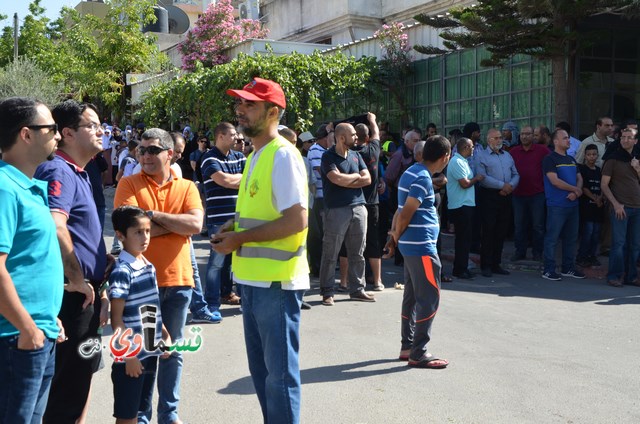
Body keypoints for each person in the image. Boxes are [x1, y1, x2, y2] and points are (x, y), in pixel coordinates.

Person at [211, 77, 309, 423]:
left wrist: (239, 240)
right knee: (264, 376)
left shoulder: (283, 155)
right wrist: (233, 229)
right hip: (253, 283)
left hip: (276, 285)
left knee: (279, 379)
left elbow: (297, 220)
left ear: (273, 112)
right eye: (239, 103)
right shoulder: (255, 156)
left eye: (249, 104)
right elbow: (261, 214)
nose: (240, 110)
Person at [115, 128, 203, 424]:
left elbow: (195, 224)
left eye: (152, 150)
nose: (145, 156)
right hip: (140, 286)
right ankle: (141, 415)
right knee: (144, 352)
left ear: (170, 153)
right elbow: (127, 226)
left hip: (178, 281)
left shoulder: (187, 187)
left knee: (172, 350)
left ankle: (169, 414)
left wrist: (149, 216)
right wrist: (174, 225)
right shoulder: (127, 182)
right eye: (141, 150)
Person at [35, 100, 110, 424]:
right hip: (72, 297)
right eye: (91, 125)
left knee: (80, 380)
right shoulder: (57, 169)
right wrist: (78, 278)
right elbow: (55, 225)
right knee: (65, 391)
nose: (101, 131)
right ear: (67, 133)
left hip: (87, 294)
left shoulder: (80, 171)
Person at [0, 97, 65, 423]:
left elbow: (31, 261)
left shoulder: (26, 186)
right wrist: (27, 326)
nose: (58, 135)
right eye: (51, 128)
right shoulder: (4, 188)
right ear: (26, 134)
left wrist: (45, 318)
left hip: (36, 332)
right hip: (16, 338)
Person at [384, 135, 450, 369]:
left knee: (412, 297)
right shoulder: (422, 178)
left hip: (412, 246)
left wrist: (394, 239)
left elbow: (399, 212)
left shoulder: (411, 172)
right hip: (421, 247)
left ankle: (407, 346)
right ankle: (418, 352)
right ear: (445, 157)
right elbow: (406, 212)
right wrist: (395, 237)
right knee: (429, 298)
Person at [108, 205, 171, 424]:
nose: (145, 237)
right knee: (127, 416)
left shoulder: (148, 265)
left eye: (147, 231)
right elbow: (116, 318)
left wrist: (164, 334)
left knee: (141, 410)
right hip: (131, 357)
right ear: (120, 235)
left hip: (149, 352)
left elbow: (151, 307)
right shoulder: (122, 271)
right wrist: (129, 356)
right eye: (138, 232)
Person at [319, 122, 374, 306]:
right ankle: (327, 292)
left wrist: (349, 179)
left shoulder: (357, 155)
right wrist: (355, 178)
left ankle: (357, 289)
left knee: (358, 252)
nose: (356, 137)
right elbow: (335, 179)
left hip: (359, 208)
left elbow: (367, 179)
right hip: (336, 210)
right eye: (353, 134)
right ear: (342, 137)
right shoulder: (328, 157)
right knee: (330, 252)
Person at [201, 122, 246, 316]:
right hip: (219, 219)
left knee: (239, 261)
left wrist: (240, 180)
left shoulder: (240, 156)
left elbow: (253, 179)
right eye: (233, 134)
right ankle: (211, 303)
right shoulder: (208, 158)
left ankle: (230, 294)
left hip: (241, 217)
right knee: (217, 262)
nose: (237, 138)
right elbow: (223, 180)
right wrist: (241, 180)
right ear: (220, 136)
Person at [475, 128, 519, 277]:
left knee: (501, 230)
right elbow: (483, 177)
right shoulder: (481, 156)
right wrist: (502, 186)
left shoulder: (507, 155)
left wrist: (510, 186)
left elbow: (515, 173)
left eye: (500, 137)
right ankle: (486, 265)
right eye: (496, 138)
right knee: (488, 230)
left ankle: (496, 264)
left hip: (506, 195)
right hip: (490, 196)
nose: (500, 140)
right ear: (489, 141)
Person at [541, 129, 585, 281]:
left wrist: (576, 191)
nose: (569, 141)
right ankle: (548, 269)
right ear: (556, 141)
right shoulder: (550, 159)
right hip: (557, 205)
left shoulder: (571, 159)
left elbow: (579, 177)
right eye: (565, 138)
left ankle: (568, 268)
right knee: (552, 238)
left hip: (573, 205)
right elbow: (554, 181)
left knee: (571, 238)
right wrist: (576, 190)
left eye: (568, 138)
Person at [600, 128, 640, 287]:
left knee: (635, 245)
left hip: (638, 208)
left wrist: (637, 168)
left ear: (635, 141)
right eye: (623, 137)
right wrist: (616, 204)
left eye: (629, 137)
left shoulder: (637, 159)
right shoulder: (612, 159)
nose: (625, 140)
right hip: (620, 208)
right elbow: (604, 185)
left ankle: (631, 277)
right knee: (618, 244)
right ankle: (614, 276)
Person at [509, 125, 549, 261]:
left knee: (538, 225)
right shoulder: (513, 151)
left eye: (527, 134)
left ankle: (537, 252)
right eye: (522, 134)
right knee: (519, 225)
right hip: (518, 194)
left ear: (533, 136)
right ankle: (520, 251)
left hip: (537, 193)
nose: (524, 136)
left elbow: (551, 167)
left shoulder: (542, 150)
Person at [446, 137, 484, 279]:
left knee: (466, 238)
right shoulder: (457, 162)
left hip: (466, 204)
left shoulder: (463, 161)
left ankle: (462, 267)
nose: (473, 149)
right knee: (462, 239)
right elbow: (465, 183)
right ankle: (459, 269)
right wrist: (477, 178)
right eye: (471, 147)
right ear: (465, 147)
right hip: (460, 205)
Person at [576, 144, 605, 268]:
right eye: (589, 154)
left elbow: (604, 185)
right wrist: (594, 198)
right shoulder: (582, 169)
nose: (591, 157)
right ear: (585, 156)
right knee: (588, 233)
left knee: (596, 234)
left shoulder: (599, 170)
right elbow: (584, 187)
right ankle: (581, 257)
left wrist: (601, 198)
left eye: (594, 154)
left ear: (597, 155)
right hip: (587, 208)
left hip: (598, 209)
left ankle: (592, 256)